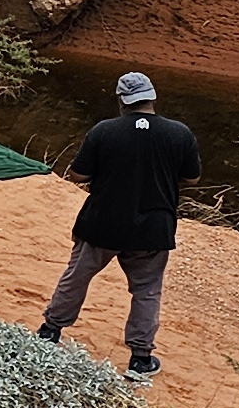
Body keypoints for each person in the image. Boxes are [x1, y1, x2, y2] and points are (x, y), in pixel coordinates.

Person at [39, 68, 203, 381]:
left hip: (103, 222)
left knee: (78, 275)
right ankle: (140, 359)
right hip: (154, 227)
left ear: (122, 101)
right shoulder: (179, 133)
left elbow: (79, 174)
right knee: (147, 290)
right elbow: (192, 177)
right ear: (152, 97)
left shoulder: (104, 131)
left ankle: (50, 331)